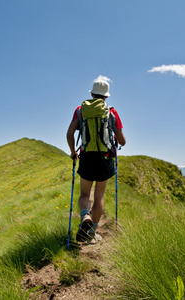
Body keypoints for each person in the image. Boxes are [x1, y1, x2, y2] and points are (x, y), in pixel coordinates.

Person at [66, 78, 126, 242]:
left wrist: (73, 152)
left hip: (86, 156)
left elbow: (69, 134)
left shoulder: (80, 110)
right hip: (105, 158)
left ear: (91, 94)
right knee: (99, 197)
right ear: (106, 97)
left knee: (85, 193)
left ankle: (85, 215)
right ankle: (91, 234)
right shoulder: (112, 112)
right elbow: (122, 141)